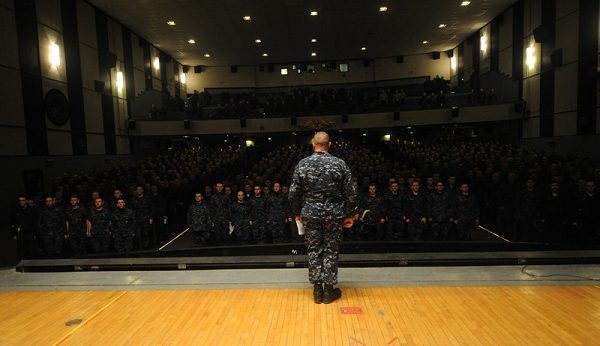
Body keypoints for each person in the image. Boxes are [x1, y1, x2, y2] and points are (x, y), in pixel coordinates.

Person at [289, 131, 358, 304]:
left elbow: (293, 193)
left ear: (313, 144)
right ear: (330, 144)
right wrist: (350, 214)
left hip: (310, 214)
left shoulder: (303, 164)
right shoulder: (339, 164)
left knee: (314, 250)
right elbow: (350, 193)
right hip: (334, 215)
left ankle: (317, 291)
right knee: (330, 250)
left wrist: (297, 212)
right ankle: (328, 291)